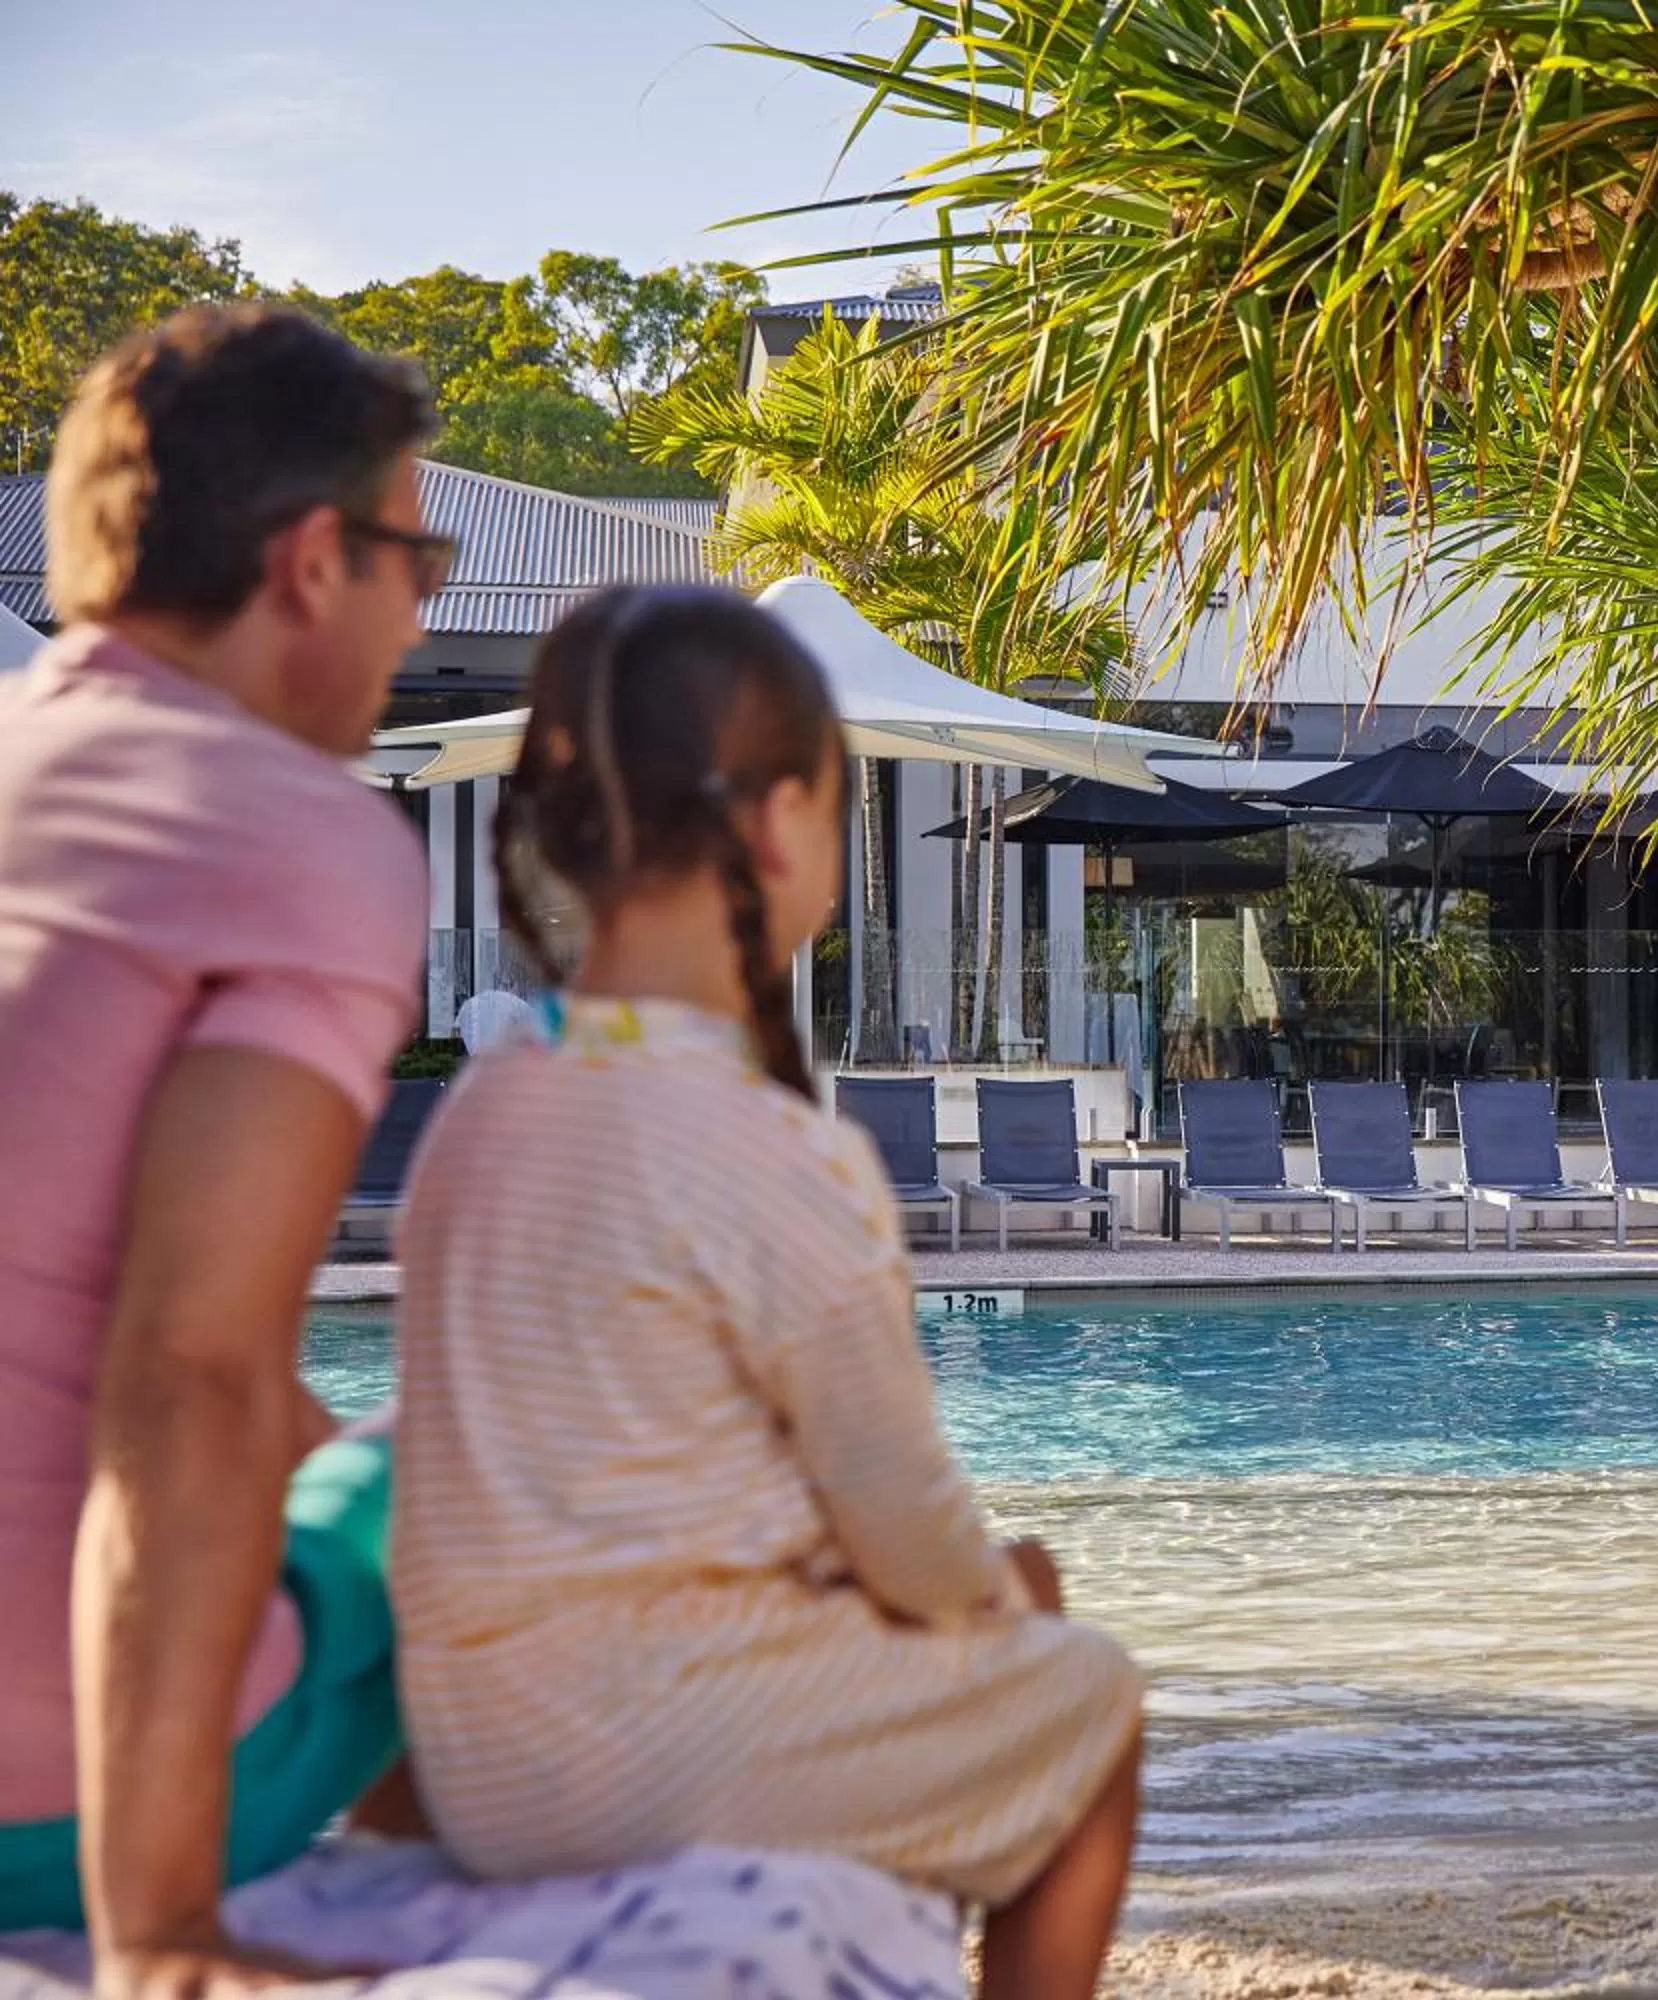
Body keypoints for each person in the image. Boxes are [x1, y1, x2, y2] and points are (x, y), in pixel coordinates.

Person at [388, 587, 1145, 2000]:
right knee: (1087, 1692)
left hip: (480, 1753)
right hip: (665, 1752)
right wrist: (992, 1602)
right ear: (785, 826)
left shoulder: (482, 1120)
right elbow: (910, 1534)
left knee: (1012, 1597)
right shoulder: (775, 1149)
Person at [0, 308, 444, 1980]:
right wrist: (161, 1932)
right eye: (418, 553)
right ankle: (423, 1871)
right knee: (460, 1455)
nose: (428, 608)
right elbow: (184, 1378)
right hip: (37, 1812)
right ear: (314, 562)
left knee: (319, 1433)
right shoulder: (293, 834)